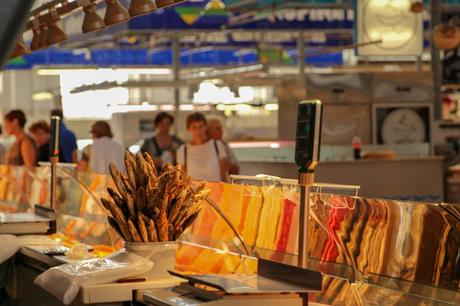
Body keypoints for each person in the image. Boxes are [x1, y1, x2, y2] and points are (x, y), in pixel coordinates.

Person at [177, 112, 228, 182]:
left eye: (201, 126)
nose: (198, 131)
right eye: (194, 127)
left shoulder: (217, 145)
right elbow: (182, 179)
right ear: (188, 129)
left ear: (206, 127)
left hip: (216, 190)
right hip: (195, 192)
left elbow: (224, 176)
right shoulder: (183, 150)